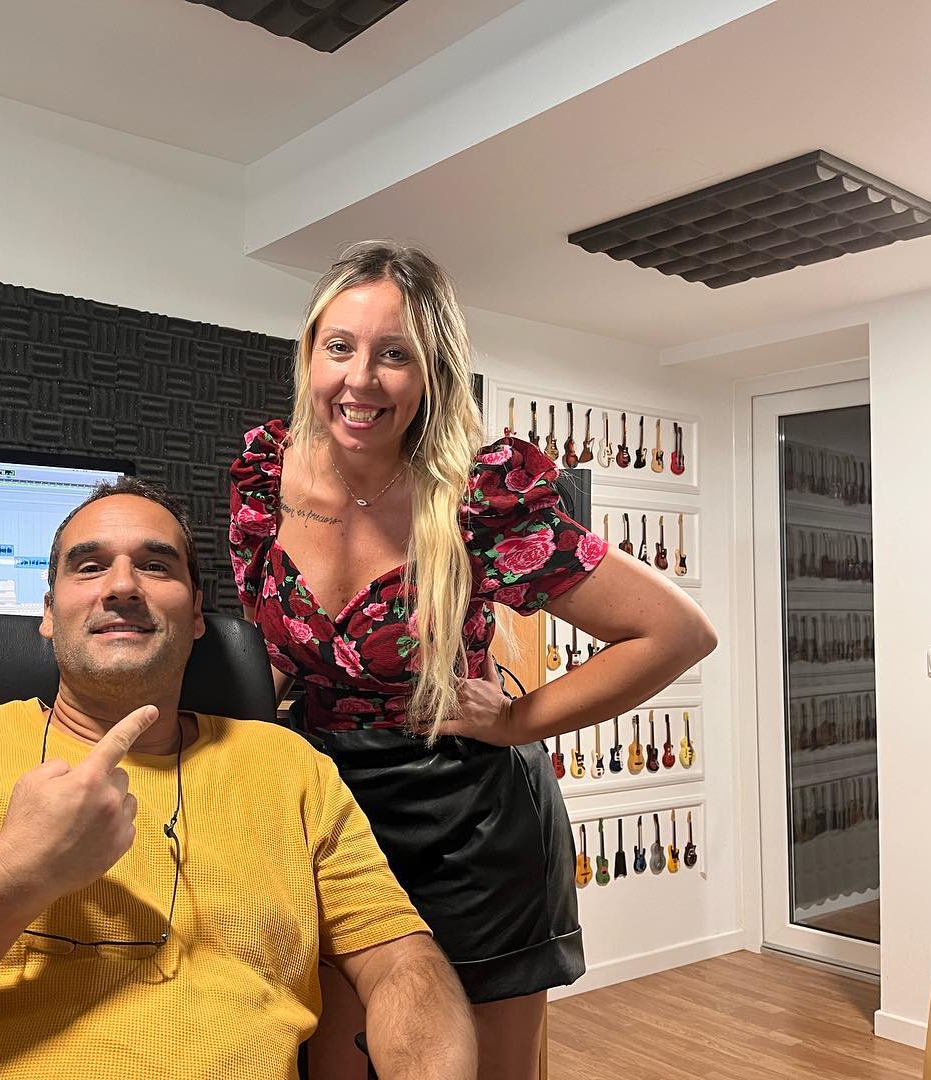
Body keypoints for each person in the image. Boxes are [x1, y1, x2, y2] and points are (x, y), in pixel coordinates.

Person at [0, 477, 476, 1080]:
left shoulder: (291, 768)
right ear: (48, 613)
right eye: (89, 566)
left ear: (197, 616)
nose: (124, 585)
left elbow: (402, 963)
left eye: (157, 566)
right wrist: (14, 871)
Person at [228, 241, 717, 1080]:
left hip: (471, 824)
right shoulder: (264, 477)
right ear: (309, 354)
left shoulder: (478, 500)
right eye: (339, 347)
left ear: (432, 373)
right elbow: (271, 652)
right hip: (329, 813)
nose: (359, 379)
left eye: (394, 355)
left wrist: (519, 720)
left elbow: (675, 633)